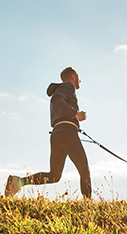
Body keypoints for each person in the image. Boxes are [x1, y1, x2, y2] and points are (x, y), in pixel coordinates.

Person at [5, 67, 92, 198]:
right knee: (84, 170)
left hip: (57, 134)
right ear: (73, 76)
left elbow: (57, 101)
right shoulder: (68, 86)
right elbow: (56, 100)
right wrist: (75, 114)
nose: (79, 80)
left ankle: (18, 182)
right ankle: (88, 206)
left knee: (54, 175)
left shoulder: (61, 88)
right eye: (78, 76)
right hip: (67, 133)